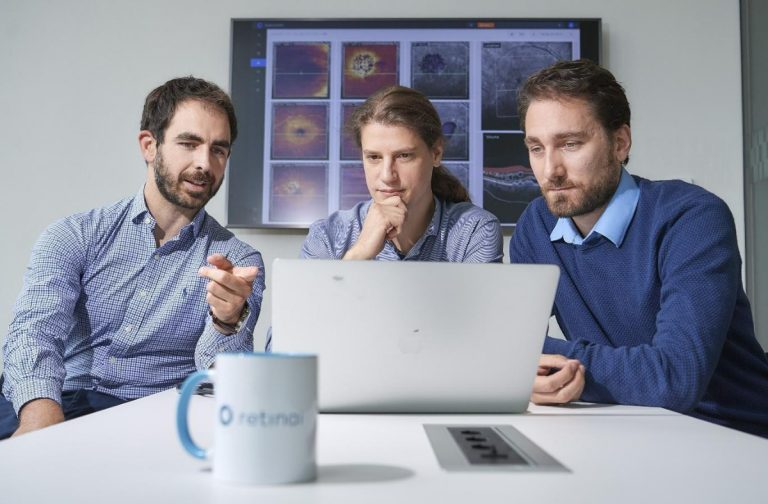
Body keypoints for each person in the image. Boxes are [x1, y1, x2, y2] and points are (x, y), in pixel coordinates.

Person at [511, 59, 768, 437]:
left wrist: (543, 361)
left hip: (734, 434)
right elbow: (511, 346)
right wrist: (525, 368)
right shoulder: (536, 226)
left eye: (570, 144)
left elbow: (676, 378)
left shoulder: (692, 217)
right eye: (536, 148)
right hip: (630, 426)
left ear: (620, 142)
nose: (551, 170)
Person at [0, 77, 265, 439]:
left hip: (155, 417)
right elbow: (34, 332)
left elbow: (219, 379)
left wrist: (226, 320)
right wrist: (39, 417)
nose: (205, 162)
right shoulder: (75, 234)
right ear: (149, 145)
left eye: (219, 150)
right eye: (189, 143)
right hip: (60, 398)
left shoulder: (237, 261)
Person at [301, 85, 503, 262]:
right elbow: (314, 307)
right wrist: (360, 254)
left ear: (436, 154)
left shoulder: (474, 230)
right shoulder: (326, 236)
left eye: (404, 155)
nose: (387, 175)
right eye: (374, 157)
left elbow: (476, 307)